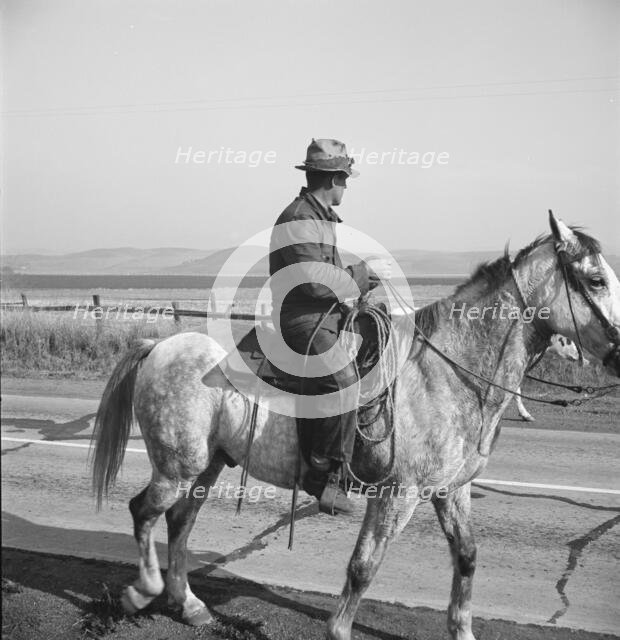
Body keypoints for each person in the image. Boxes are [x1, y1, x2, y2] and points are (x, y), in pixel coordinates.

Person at [269, 139, 391, 515]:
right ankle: (322, 474)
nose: (346, 187)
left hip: (326, 313)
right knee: (343, 381)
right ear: (334, 178)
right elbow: (314, 284)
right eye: (345, 179)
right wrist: (362, 275)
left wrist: (362, 291)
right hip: (302, 319)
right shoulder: (299, 219)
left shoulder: (318, 216)